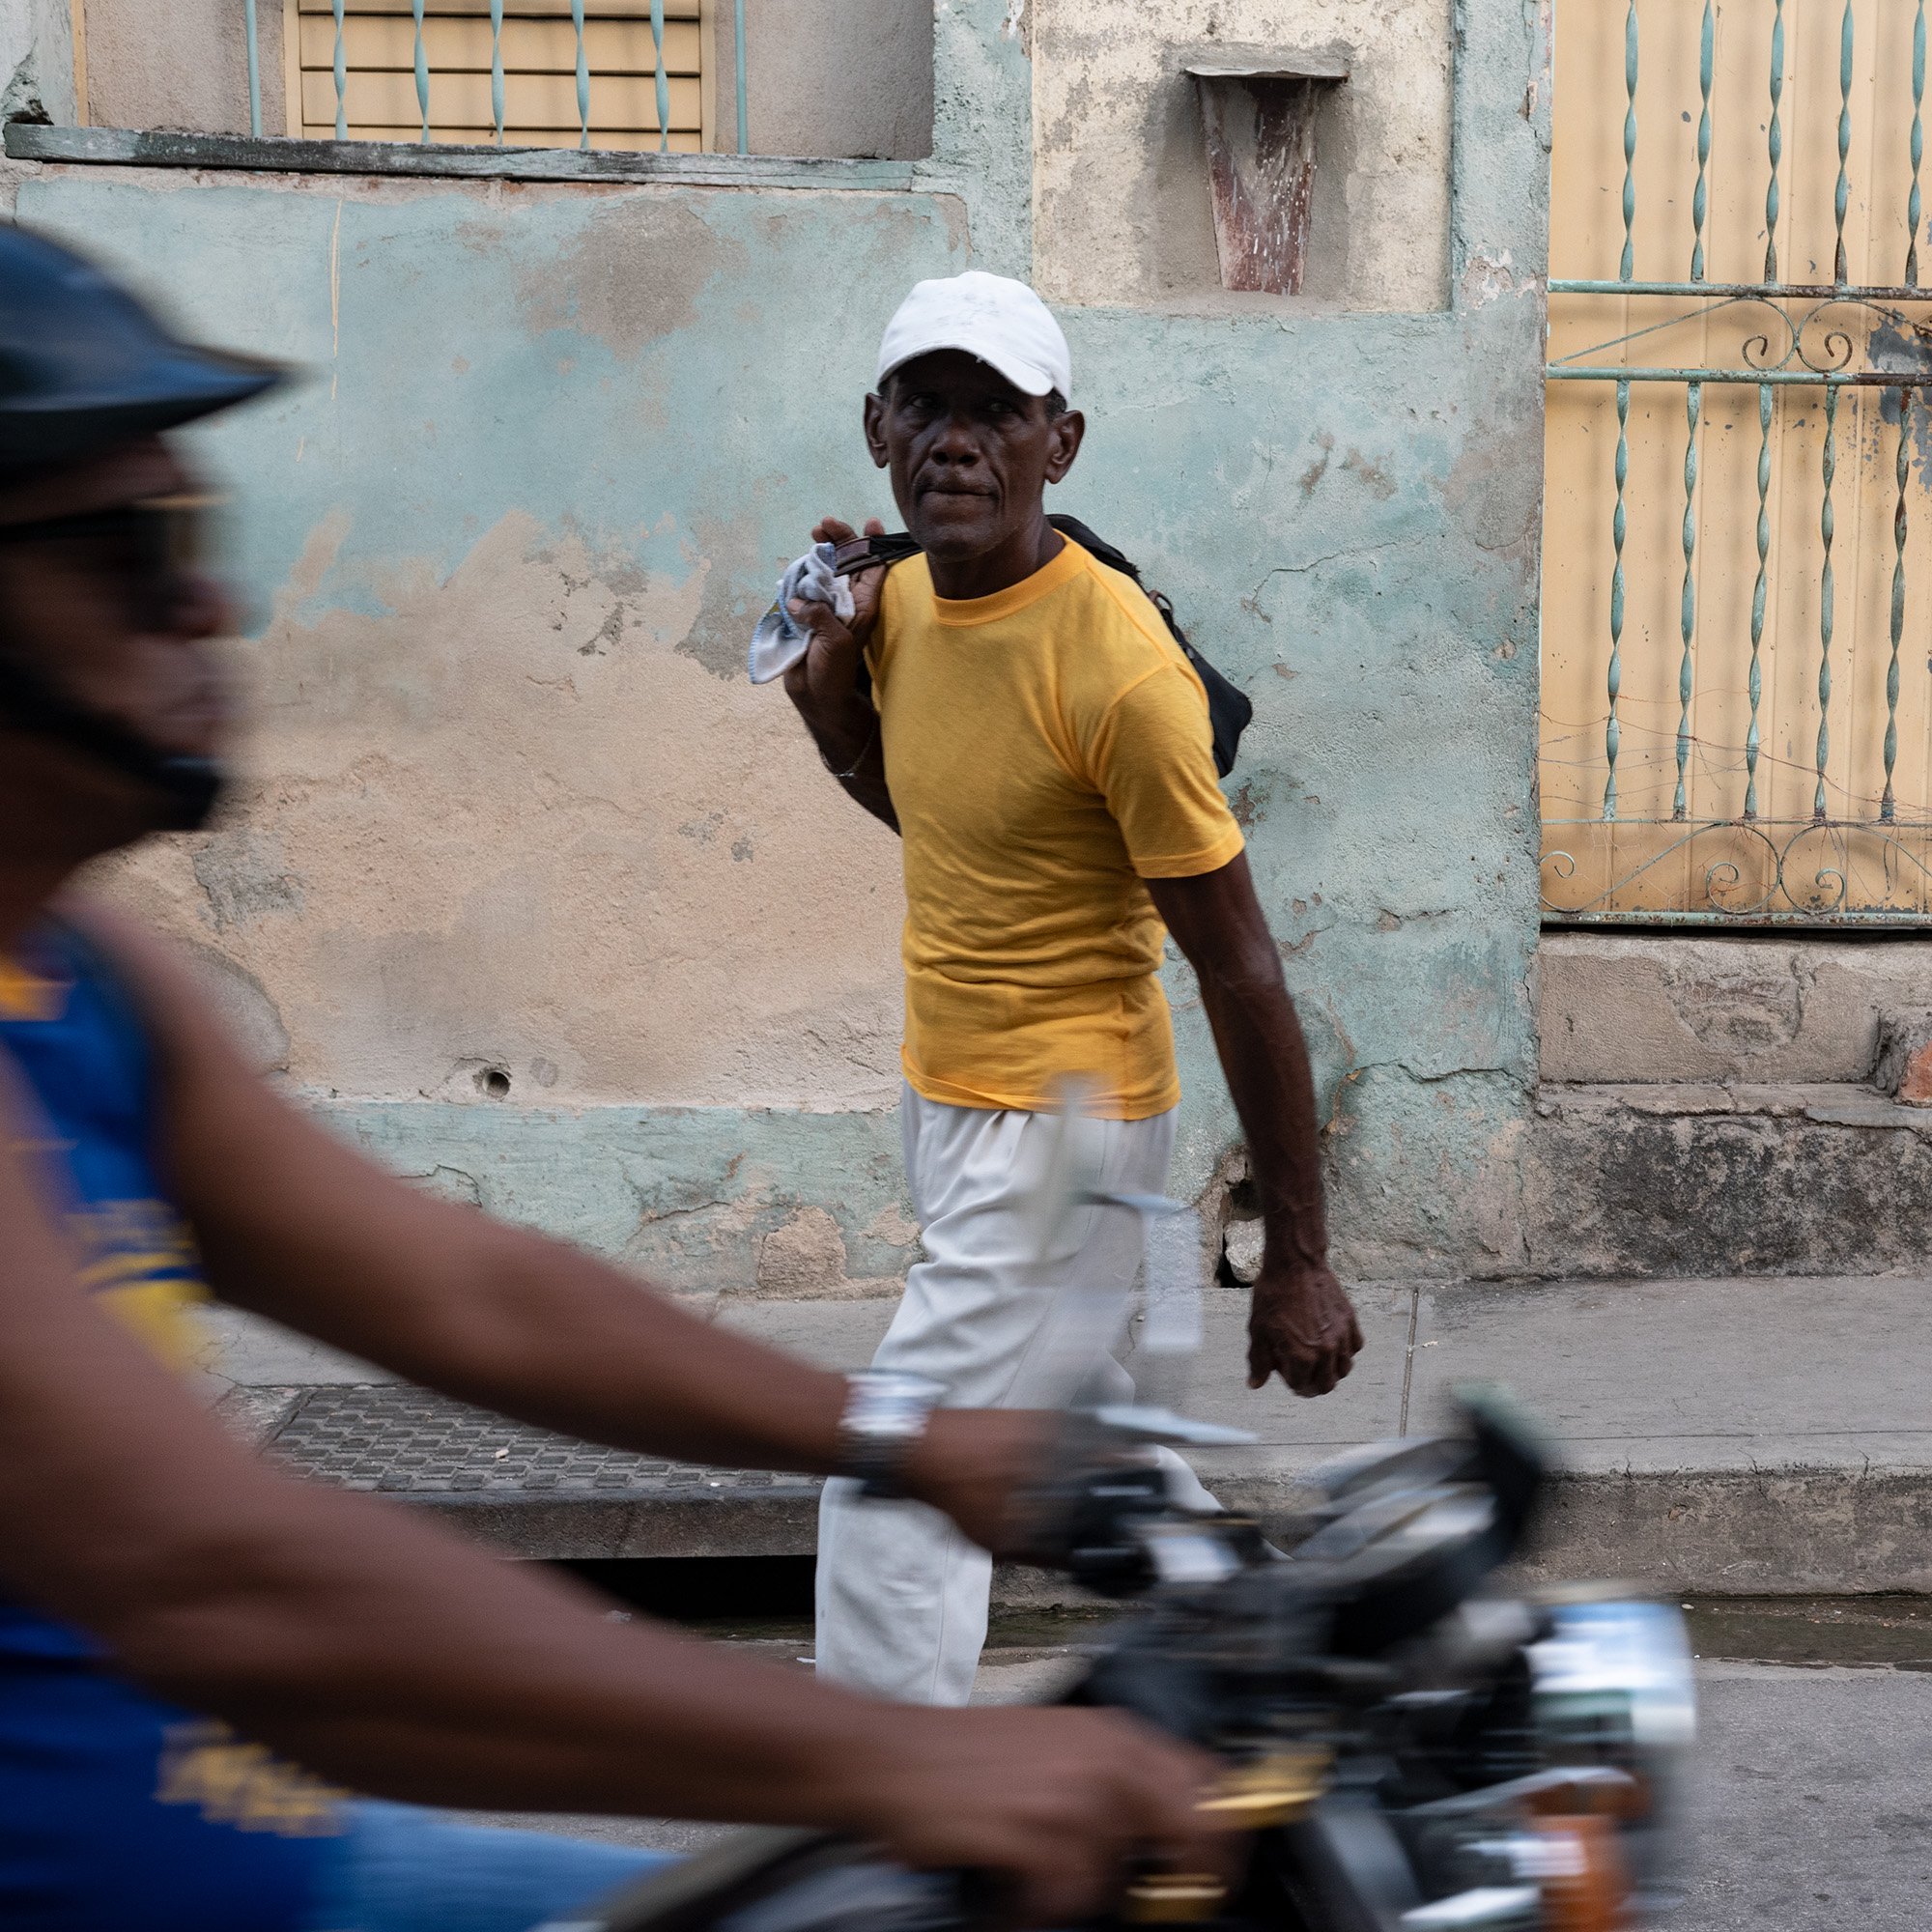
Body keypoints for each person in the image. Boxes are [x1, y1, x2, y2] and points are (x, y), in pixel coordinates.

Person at [0, 227, 1228, 1932]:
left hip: (269, 1857)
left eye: (192, 537)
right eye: (131, 554)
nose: (207, 600)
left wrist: (908, 1444)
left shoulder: (86, 989)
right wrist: (888, 1763)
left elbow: (475, 1293)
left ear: (1056, 440)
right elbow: (233, 1593)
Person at [779, 271, 1366, 1706]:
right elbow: (947, 821)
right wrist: (833, 703)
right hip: (959, 1101)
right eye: (928, 406)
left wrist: (1297, 1252)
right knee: (1092, 1450)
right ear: (876, 427)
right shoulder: (899, 603)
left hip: (1061, 1125)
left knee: (896, 1480)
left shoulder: (1119, 669)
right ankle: (1295, 1696)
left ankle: (899, 1815)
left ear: (1063, 442)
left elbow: (1239, 964)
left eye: (999, 413)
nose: (958, 443)